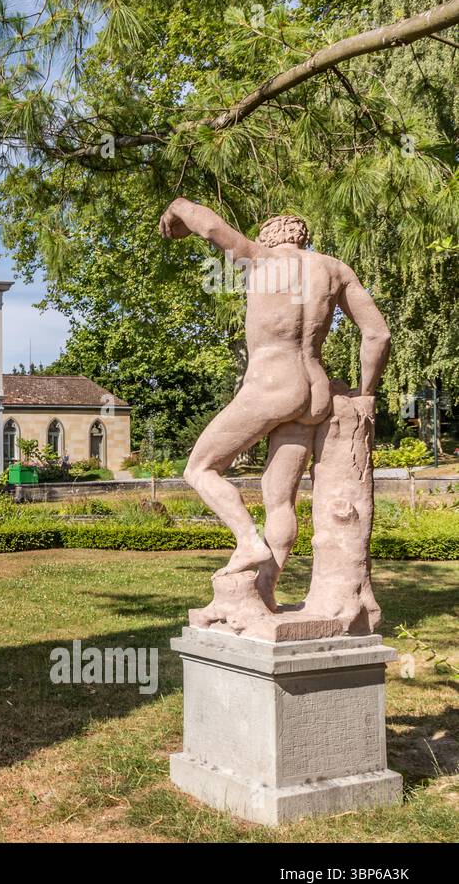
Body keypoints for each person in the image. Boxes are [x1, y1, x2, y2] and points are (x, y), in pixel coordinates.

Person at [158, 198, 390, 608]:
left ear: (268, 235)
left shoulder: (258, 258)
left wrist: (176, 208)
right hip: (315, 392)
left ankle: (248, 541)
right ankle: (265, 591)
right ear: (303, 239)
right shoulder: (334, 269)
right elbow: (377, 335)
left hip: (272, 384)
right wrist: (364, 393)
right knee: (277, 496)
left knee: (200, 468)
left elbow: (209, 226)